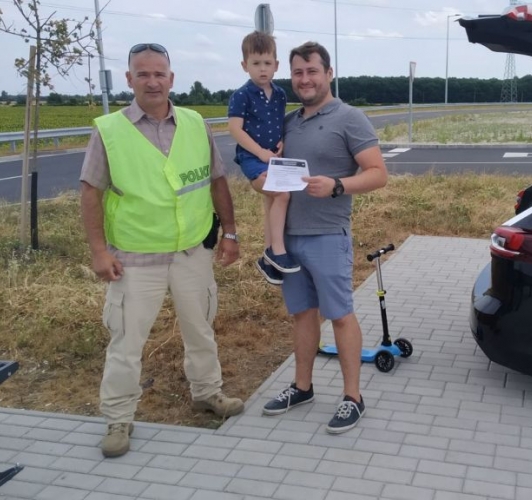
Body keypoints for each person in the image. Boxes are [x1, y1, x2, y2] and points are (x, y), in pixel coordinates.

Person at [80, 43, 244, 458]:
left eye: (159, 74)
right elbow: (90, 192)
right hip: (135, 258)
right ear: (129, 79)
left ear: (171, 78)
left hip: (192, 252)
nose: (152, 82)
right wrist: (98, 252)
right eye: (143, 74)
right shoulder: (109, 131)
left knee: (200, 329)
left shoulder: (194, 123)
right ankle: (119, 418)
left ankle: (207, 392)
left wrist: (230, 232)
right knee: (126, 343)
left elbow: (217, 180)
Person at [262, 42, 388, 434]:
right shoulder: (289, 122)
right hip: (288, 241)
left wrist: (337, 185)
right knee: (302, 314)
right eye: (298, 73)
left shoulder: (350, 118)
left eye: (312, 71)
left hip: (328, 236)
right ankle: (302, 387)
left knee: (340, 316)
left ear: (328, 74)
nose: (305, 79)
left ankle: (353, 397)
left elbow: (378, 173)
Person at [228, 31, 298, 285]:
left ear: (276, 65)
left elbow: (279, 123)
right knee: (281, 194)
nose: (262, 69)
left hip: (273, 158)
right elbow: (235, 129)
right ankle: (277, 251)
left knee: (272, 203)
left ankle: (268, 260)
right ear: (244, 65)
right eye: (256, 63)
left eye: (267, 63)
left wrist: (282, 142)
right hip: (252, 158)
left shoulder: (279, 94)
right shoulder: (241, 95)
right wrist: (260, 152)